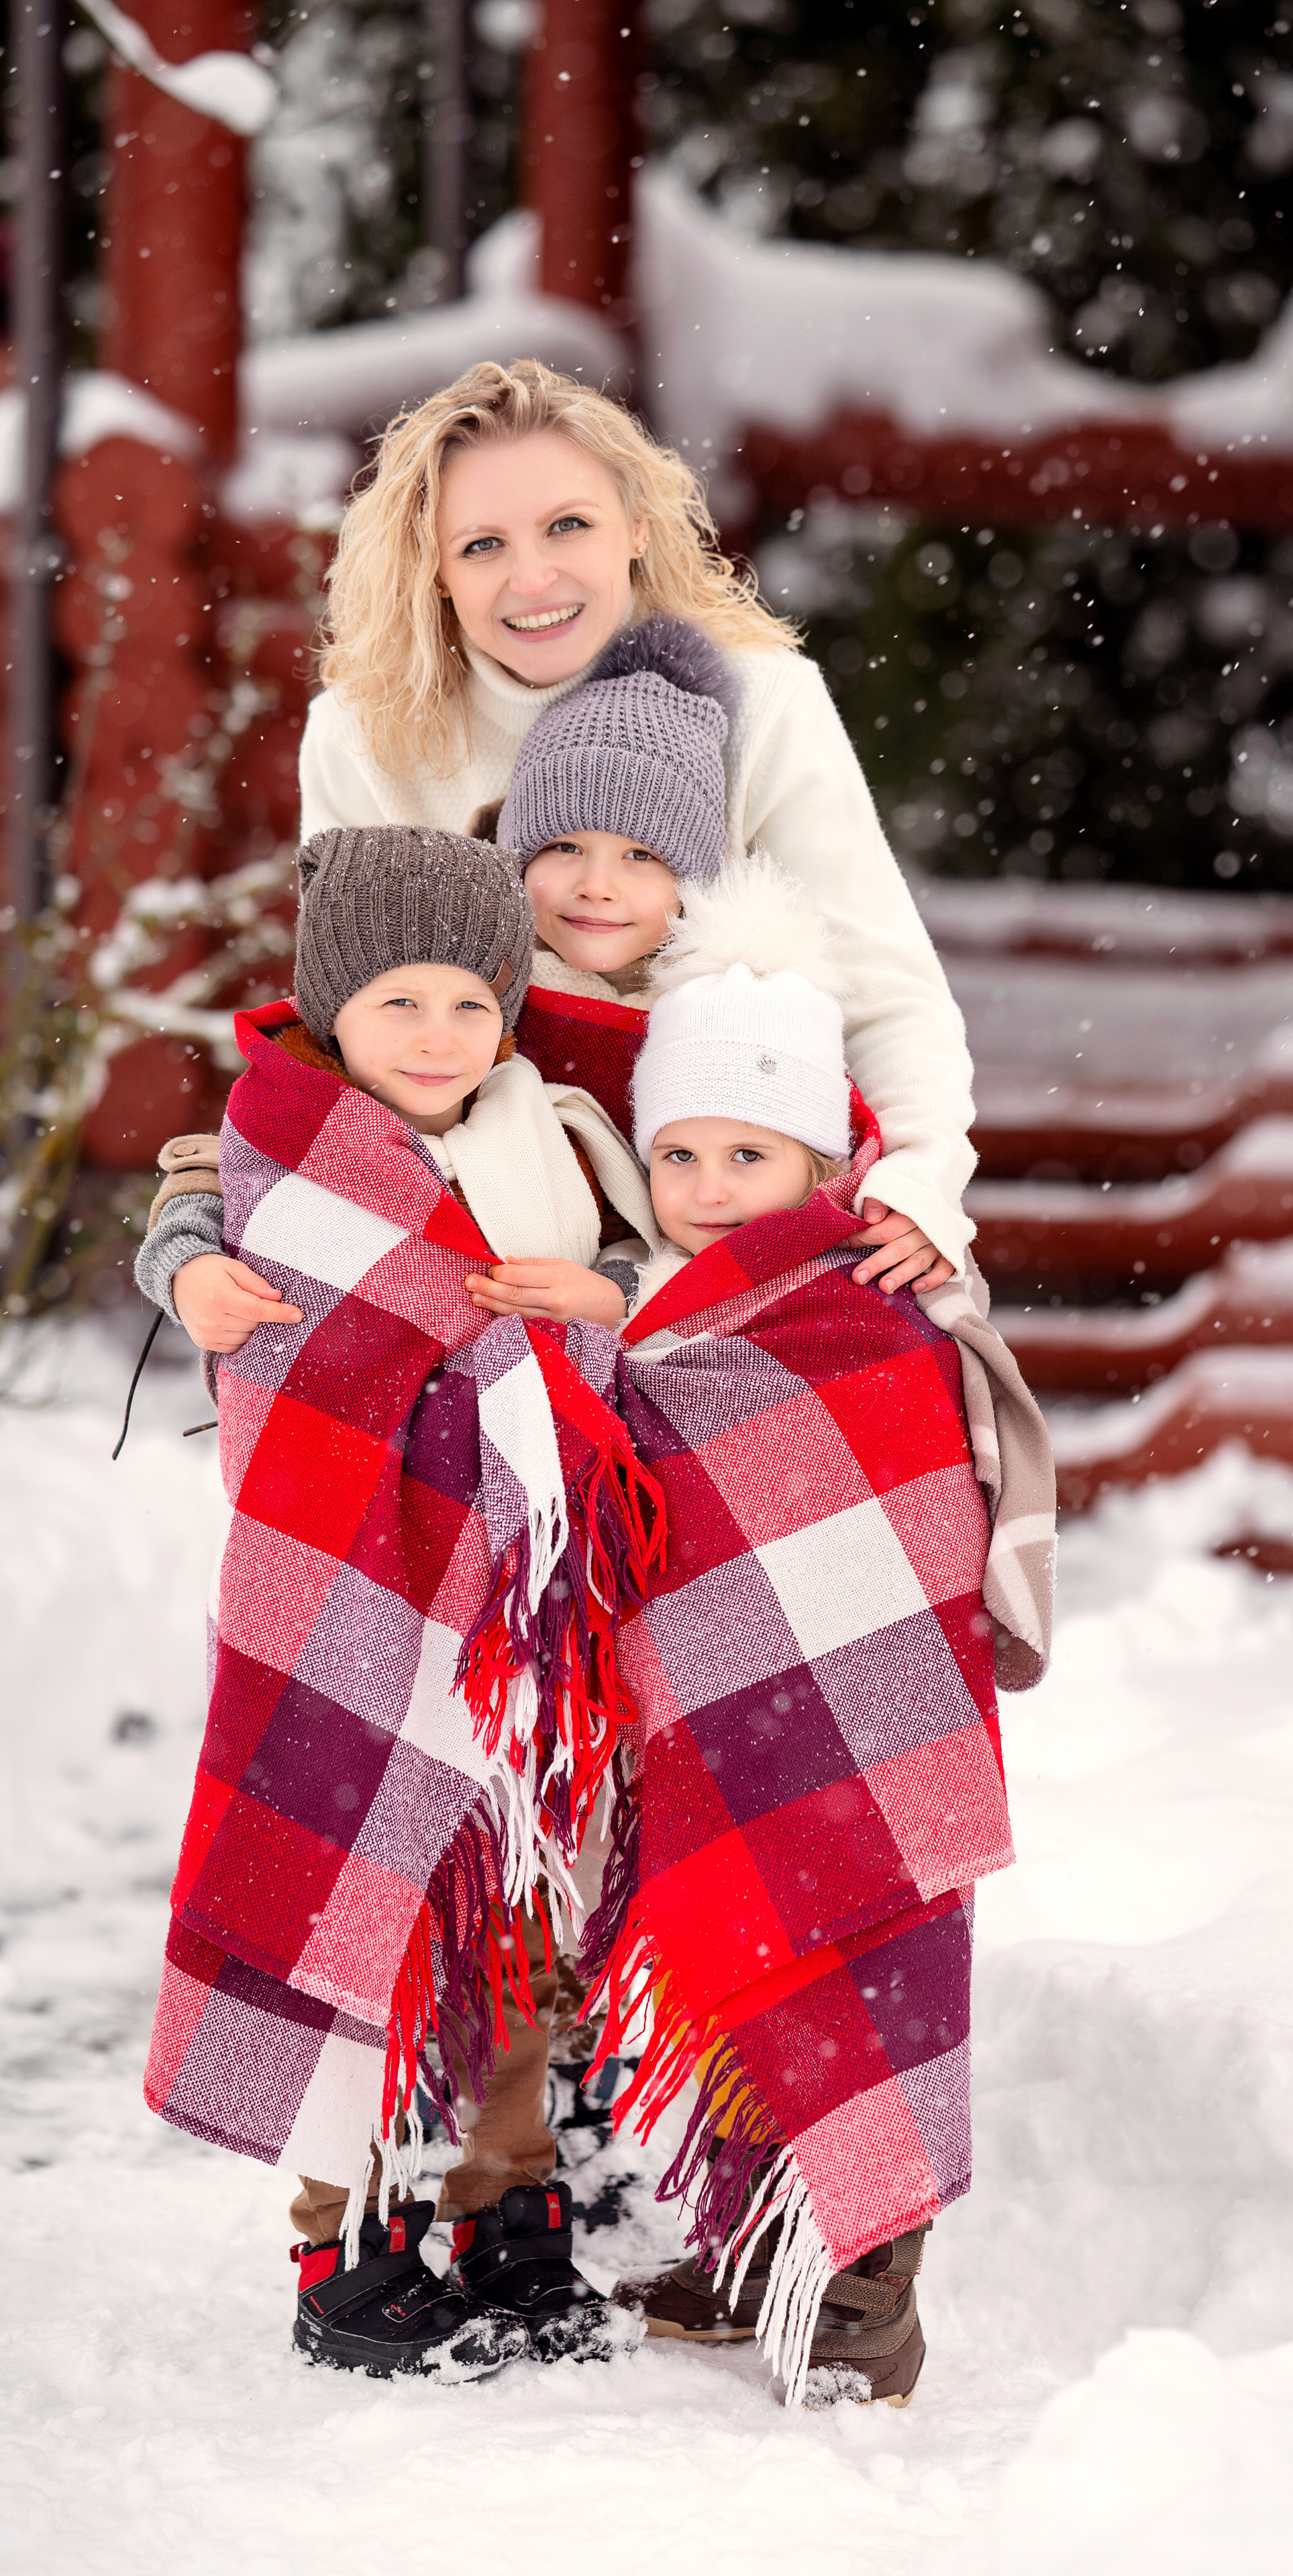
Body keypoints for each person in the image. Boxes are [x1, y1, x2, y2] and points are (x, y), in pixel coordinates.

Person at [161, 356, 973, 1358]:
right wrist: (198, 1228)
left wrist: (923, 1176)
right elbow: (348, 1025)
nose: (532, 578)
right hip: (491, 1209)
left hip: (718, 1200)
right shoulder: (368, 734)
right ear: (435, 567)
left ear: (637, 525)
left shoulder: (759, 703)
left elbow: (882, 986)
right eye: (484, 544)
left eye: (569, 526)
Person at [143, 826, 665, 2381]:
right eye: (397, 1007)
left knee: (510, 1911)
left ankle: (506, 2196)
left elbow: (651, 1273)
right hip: (346, 1593)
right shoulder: (272, 1139)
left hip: (519, 1609)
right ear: (328, 1009)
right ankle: (344, 2223)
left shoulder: (556, 1136)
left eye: (468, 1005)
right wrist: (186, 1279)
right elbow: (185, 1215)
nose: (438, 1041)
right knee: (339, 1901)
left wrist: (601, 1303)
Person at [557, 858, 1057, 2408]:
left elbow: (905, 1479)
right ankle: (762, 2230)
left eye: (747, 1153)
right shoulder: (657, 1305)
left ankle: (867, 2299)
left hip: (869, 1701)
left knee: (864, 1951)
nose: (709, 1186)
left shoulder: (870, 1294)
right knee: (730, 1953)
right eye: (682, 1153)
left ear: (819, 1153)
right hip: (725, 1697)